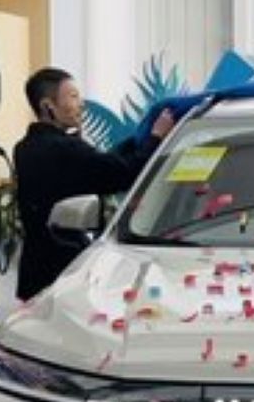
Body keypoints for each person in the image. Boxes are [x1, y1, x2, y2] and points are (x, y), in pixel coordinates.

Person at [12, 66, 176, 300]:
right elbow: (124, 173)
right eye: (73, 96)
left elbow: (99, 163)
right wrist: (156, 138)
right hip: (64, 271)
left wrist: (134, 142)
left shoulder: (24, 148)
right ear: (48, 106)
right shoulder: (64, 149)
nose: (81, 104)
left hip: (34, 271)